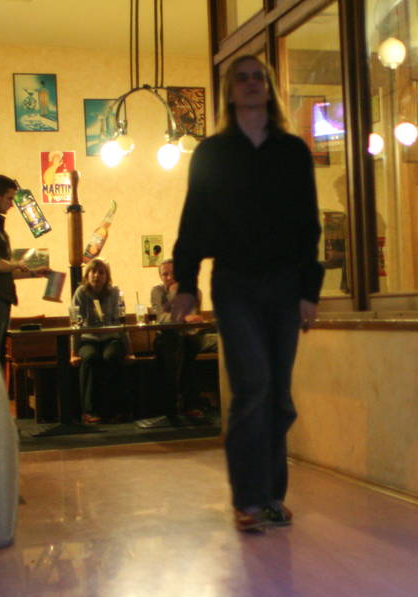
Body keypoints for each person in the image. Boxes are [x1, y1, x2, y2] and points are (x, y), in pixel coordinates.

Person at [171, 55, 323, 532]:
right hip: (234, 282)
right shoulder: (212, 154)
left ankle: (271, 496)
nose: (252, 84)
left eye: (260, 77)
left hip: (284, 284)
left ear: (269, 88)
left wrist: (309, 289)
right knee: (253, 385)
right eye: (243, 78)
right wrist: (186, 283)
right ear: (230, 91)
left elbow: (308, 224)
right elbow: (193, 221)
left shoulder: (292, 152)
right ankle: (249, 500)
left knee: (277, 395)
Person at [0, 174, 50, 368]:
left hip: (0, 297)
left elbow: (5, 269)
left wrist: (35, 272)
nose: (12, 204)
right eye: (9, 198)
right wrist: (17, 264)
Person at [149, 259, 212, 427]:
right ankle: (175, 407)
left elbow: (194, 317)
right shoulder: (157, 291)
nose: (170, 277)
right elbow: (161, 318)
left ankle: (189, 405)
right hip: (165, 337)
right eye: (165, 274)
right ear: (160, 277)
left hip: (188, 336)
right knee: (174, 348)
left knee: (190, 345)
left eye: (173, 273)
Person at [70, 258, 133, 424]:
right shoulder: (81, 293)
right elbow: (75, 325)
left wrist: (129, 351)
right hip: (88, 339)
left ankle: (118, 409)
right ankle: (89, 411)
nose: (97, 275)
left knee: (112, 357)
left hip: (111, 338)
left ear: (107, 276)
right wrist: (73, 353)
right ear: (87, 275)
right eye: (94, 272)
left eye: (101, 272)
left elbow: (121, 323)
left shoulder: (114, 293)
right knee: (90, 358)